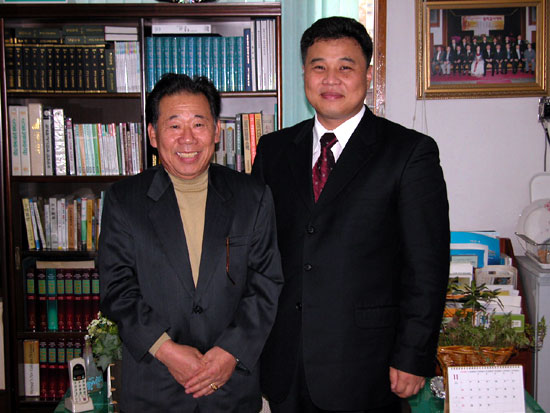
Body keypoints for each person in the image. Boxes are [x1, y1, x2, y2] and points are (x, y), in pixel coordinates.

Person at [253, 16, 450, 413]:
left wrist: (413, 354)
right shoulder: (274, 149)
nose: (331, 80)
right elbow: (258, 252)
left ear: (369, 74)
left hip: (368, 366)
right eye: (319, 67)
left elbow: (426, 266)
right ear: (304, 73)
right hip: (286, 361)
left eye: (345, 67)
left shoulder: (409, 152)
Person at [99, 73, 284, 412]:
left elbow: (266, 283)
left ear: (216, 131)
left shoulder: (252, 197)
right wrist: (166, 350)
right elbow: (117, 288)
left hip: (229, 386)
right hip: (153, 387)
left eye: (199, 124)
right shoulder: (124, 200)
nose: (188, 138)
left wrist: (229, 353)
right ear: (153, 134)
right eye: (174, 126)